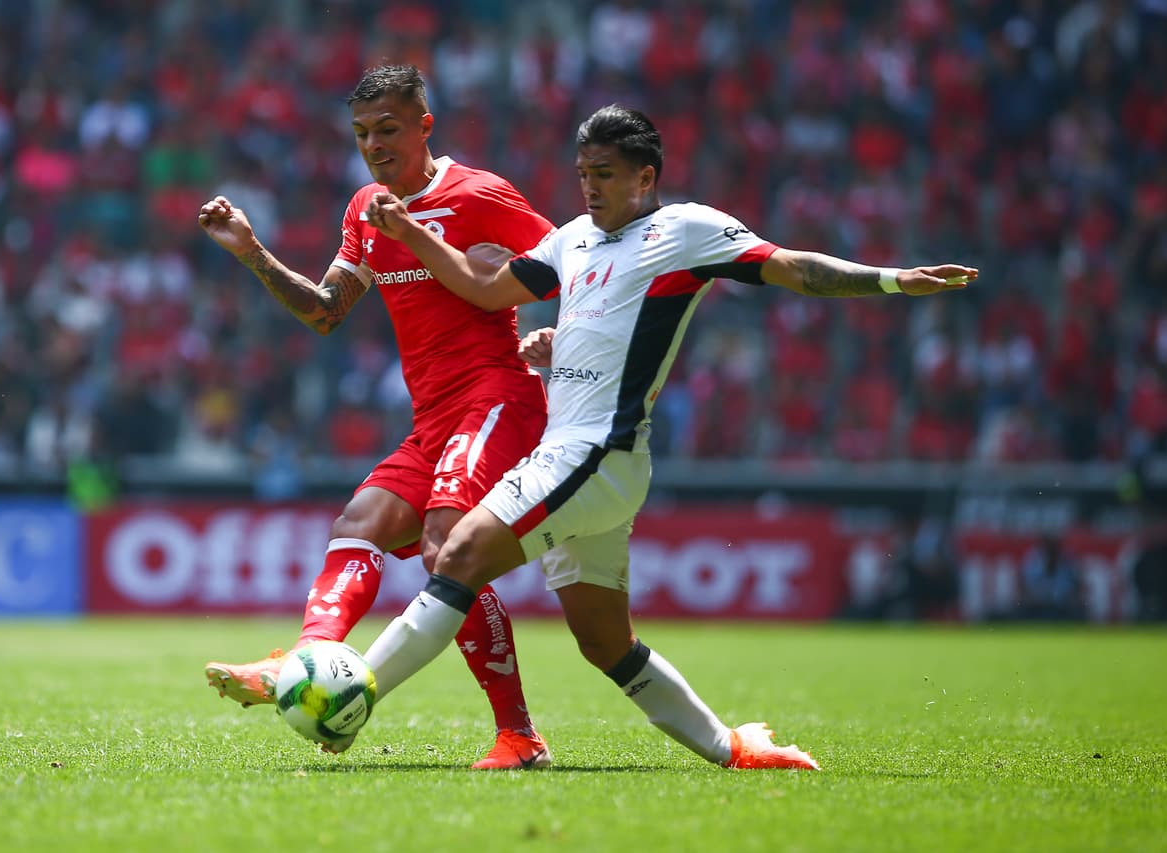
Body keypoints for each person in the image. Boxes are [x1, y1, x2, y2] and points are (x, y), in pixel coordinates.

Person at [353, 104, 978, 770]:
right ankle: (733, 748)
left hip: (597, 454)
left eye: (605, 174)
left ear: (645, 176)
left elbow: (792, 266)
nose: (589, 187)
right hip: (575, 456)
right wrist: (420, 237)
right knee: (604, 642)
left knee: (458, 554)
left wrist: (890, 278)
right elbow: (484, 286)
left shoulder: (685, 231)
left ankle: (348, 697)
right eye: (583, 173)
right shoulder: (570, 240)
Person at [196, 65, 556, 769]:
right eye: (361, 133)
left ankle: (517, 734)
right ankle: (302, 661)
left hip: (497, 397)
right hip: (433, 417)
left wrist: (562, 345)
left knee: (445, 542)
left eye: (388, 129)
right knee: (357, 523)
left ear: (425, 124)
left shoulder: (479, 194)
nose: (373, 145)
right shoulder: (365, 207)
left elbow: (581, 261)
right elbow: (326, 312)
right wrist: (251, 250)